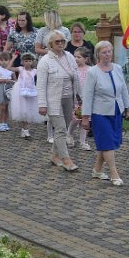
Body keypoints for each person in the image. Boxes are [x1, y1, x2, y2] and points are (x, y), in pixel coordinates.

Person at [81, 41, 129, 187]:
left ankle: (97, 169)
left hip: (116, 110)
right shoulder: (93, 72)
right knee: (107, 142)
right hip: (99, 112)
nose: (107, 55)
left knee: (107, 142)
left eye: (109, 51)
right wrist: (85, 117)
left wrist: (127, 108)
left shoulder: (117, 68)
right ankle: (114, 173)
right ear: (98, 55)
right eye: (104, 52)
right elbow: (88, 95)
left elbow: (123, 90)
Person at [37, 29, 79, 171]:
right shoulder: (45, 61)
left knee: (64, 126)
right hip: (53, 100)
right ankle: (66, 159)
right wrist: (42, 105)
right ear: (50, 44)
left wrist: (80, 98)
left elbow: (76, 78)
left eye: (62, 41)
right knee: (60, 129)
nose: (60, 43)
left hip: (68, 98)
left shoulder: (69, 56)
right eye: (57, 41)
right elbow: (41, 85)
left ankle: (55, 156)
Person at [9, 52, 41, 138]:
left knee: (29, 110)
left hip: (31, 91)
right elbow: (9, 68)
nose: (27, 63)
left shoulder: (35, 71)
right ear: (23, 62)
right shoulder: (21, 69)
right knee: (23, 110)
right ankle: (24, 129)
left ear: (32, 62)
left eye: (29, 61)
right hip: (20, 91)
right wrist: (13, 58)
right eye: (26, 61)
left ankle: (26, 129)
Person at [68, 47, 93, 150]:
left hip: (87, 99)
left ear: (86, 59)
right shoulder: (73, 70)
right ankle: (69, 134)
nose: (76, 59)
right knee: (75, 119)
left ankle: (82, 141)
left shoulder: (91, 70)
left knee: (84, 120)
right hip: (77, 99)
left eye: (79, 57)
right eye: (75, 56)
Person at [0, 51, 16, 132]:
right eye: (1, 60)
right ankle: (1, 123)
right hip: (0, 88)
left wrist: (13, 82)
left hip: (8, 89)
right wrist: (4, 80)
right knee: (2, 108)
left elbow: (14, 79)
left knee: (6, 108)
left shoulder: (11, 70)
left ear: (9, 60)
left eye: (5, 60)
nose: (3, 62)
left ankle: (5, 122)